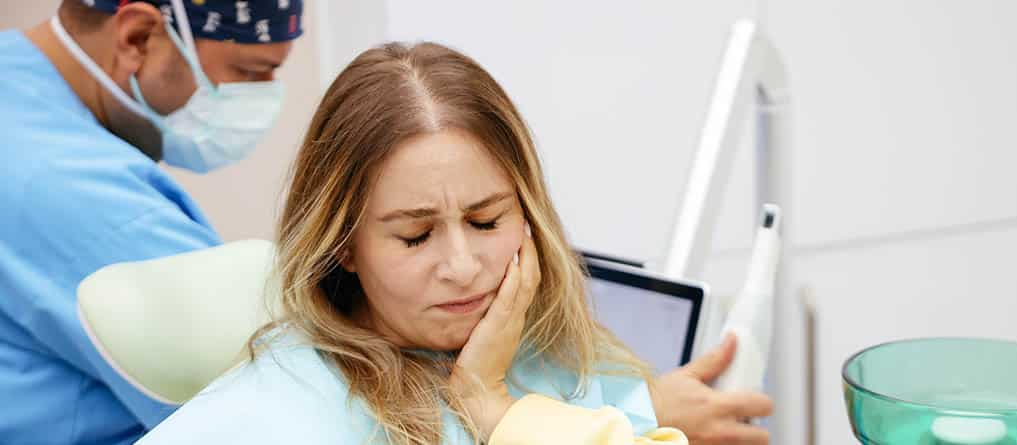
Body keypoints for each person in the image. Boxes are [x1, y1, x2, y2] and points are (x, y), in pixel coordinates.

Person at [138, 41, 765, 444]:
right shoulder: (275, 417)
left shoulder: (550, 353)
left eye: (488, 221)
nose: (464, 268)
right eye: (415, 236)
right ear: (344, 245)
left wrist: (644, 408)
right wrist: (492, 407)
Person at [0, 0, 303, 443]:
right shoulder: (73, 189)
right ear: (137, 37)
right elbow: (266, 403)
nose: (267, 96)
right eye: (250, 73)